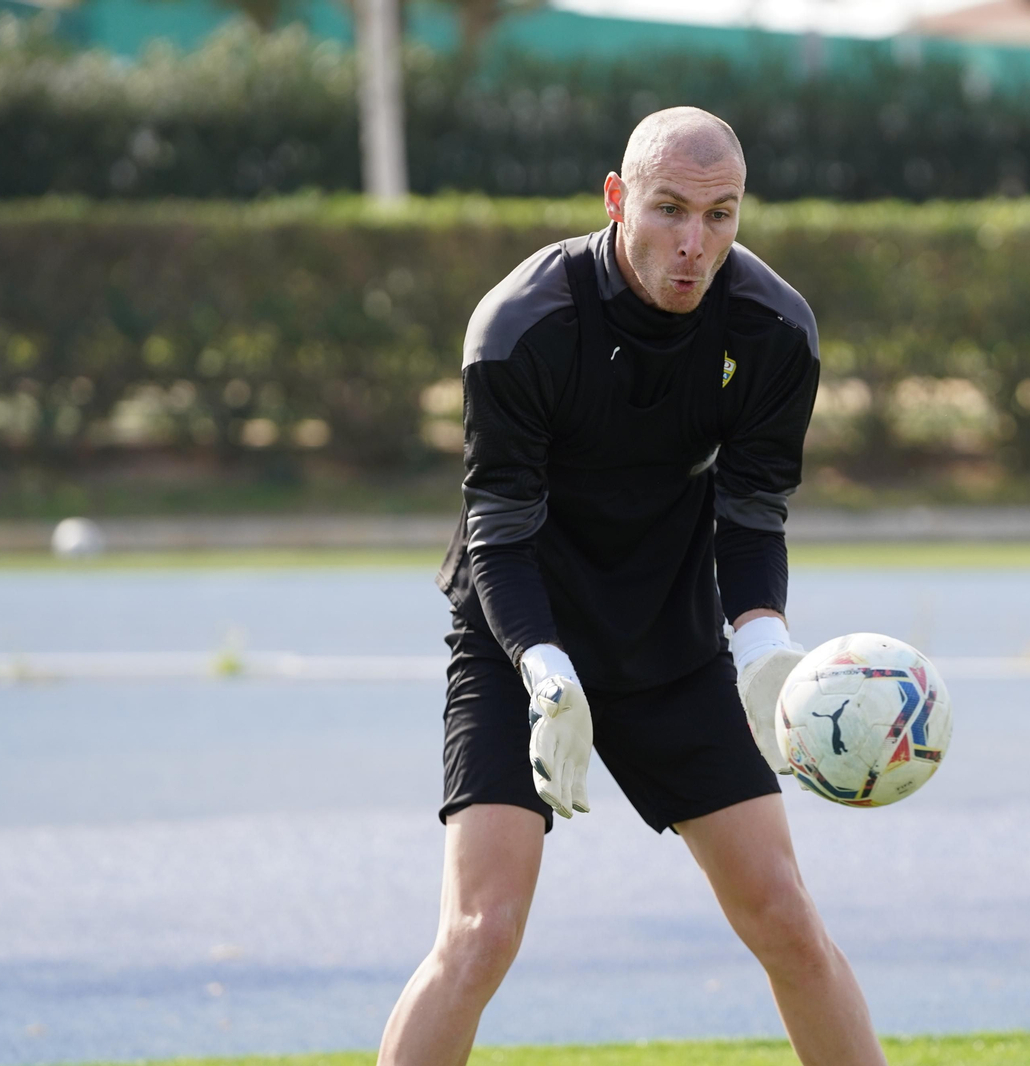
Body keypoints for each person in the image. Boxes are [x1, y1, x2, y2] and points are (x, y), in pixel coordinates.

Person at [379, 108, 887, 1066]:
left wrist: (761, 644)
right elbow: (498, 531)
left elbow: (752, 510)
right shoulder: (523, 325)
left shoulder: (774, 331)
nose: (694, 244)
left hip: (673, 637)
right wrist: (544, 671)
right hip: (517, 633)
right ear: (616, 200)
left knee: (783, 915)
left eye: (721, 214)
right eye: (669, 210)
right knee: (480, 932)